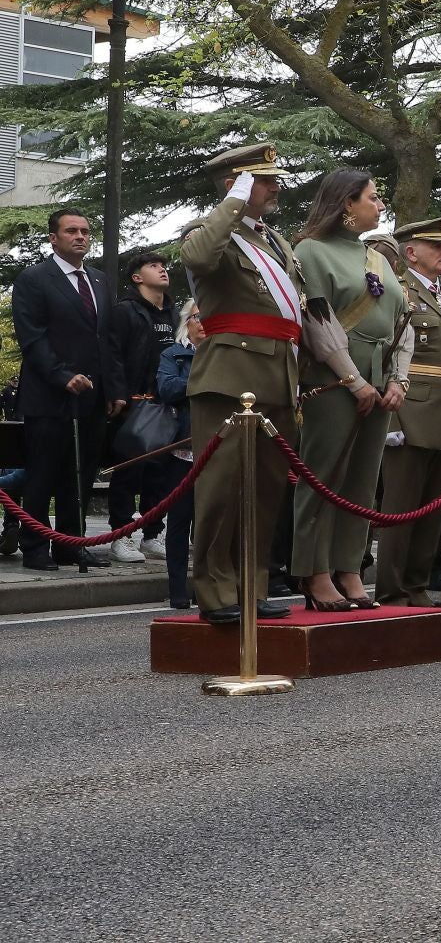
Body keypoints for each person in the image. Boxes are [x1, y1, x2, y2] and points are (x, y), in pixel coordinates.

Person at [181, 144, 302, 621]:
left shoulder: (274, 240)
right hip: (230, 376)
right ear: (238, 184)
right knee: (223, 487)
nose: (275, 188)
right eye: (265, 181)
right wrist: (233, 200)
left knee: (265, 491)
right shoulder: (210, 232)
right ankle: (214, 590)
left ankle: (249, 586)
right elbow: (198, 257)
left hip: (278, 375)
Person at [288, 170, 409, 610]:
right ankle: (315, 571)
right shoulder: (311, 251)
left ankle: (349, 568)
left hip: (380, 382)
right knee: (323, 478)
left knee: (361, 480)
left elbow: (402, 323)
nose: (380, 206)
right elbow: (316, 320)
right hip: (333, 381)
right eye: (373, 198)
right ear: (346, 204)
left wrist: (398, 378)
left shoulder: (374, 257)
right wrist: (353, 380)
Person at [11, 208, 127, 571]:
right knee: (44, 472)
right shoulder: (34, 279)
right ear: (54, 238)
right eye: (72, 231)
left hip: (93, 397)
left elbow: (107, 339)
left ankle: (70, 545)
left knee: (79, 475)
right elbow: (33, 337)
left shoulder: (98, 280)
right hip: (48, 396)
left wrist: (115, 388)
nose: (81, 236)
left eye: (86, 231)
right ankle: (33, 547)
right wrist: (62, 376)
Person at [374, 218, 441, 607]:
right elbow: (385, 355)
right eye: (435, 245)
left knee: (433, 509)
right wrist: (391, 420)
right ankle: (393, 589)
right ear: (410, 252)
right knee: (401, 507)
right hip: (409, 409)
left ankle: (416, 585)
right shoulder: (396, 291)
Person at [105, 247, 179, 562]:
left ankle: (152, 535)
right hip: (133, 404)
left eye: (163, 265)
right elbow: (111, 354)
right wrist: (119, 393)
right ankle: (121, 537)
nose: (162, 269)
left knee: (159, 474)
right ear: (137, 277)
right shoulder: (126, 310)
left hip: (166, 404)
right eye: (153, 265)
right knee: (128, 473)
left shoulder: (175, 314)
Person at [154, 303, 203, 608]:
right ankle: (177, 588)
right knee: (179, 522)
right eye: (200, 316)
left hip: (220, 450)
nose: (205, 322)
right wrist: (206, 384)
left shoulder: (226, 353)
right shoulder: (173, 355)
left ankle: (211, 586)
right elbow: (167, 387)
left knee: (213, 523)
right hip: (182, 451)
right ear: (188, 322)